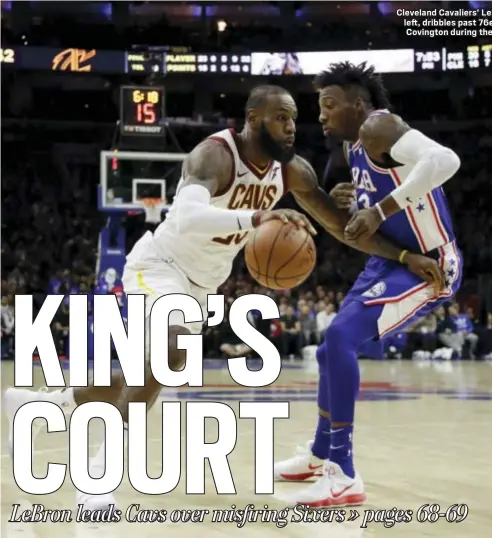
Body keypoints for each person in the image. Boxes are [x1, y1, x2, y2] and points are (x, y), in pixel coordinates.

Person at [4, 84, 443, 510]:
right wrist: (259, 216)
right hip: (159, 266)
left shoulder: (293, 170)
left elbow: (340, 228)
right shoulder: (214, 154)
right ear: (253, 120)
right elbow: (187, 215)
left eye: (294, 119)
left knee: (141, 376)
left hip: (201, 285)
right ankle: (100, 475)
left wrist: (402, 253)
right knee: (172, 355)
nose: (292, 127)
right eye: (281, 117)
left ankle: (52, 401)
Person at [274, 62, 462, 507]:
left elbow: (446, 161)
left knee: (339, 338)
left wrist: (378, 210)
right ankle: (321, 454)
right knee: (327, 348)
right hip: (395, 262)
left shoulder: (379, 125)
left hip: (431, 265)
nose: (320, 115)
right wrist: (362, 206)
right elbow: (357, 229)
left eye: (329, 105)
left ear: (359, 105)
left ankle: (343, 473)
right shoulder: (350, 149)